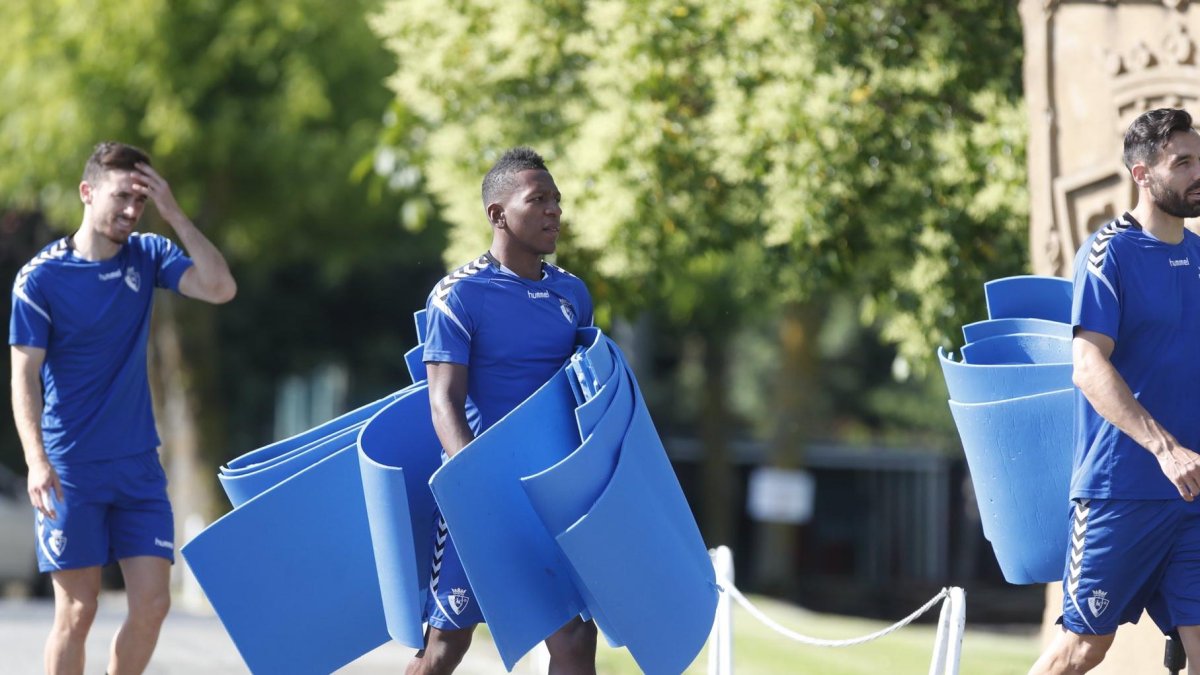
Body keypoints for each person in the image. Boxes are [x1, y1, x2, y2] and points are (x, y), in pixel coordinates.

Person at [10, 142, 237, 675]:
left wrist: (175, 213)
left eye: (141, 200)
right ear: (87, 194)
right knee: (78, 609)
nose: (132, 211)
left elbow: (220, 287)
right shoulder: (40, 279)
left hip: (137, 466)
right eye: (121, 197)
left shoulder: (149, 254)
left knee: (154, 604)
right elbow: (23, 377)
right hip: (71, 470)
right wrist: (36, 460)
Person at [411, 147, 596, 675]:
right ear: (497, 214)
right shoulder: (457, 294)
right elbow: (443, 401)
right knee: (445, 649)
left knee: (576, 641)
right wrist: (477, 486)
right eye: (538, 199)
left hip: (549, 493)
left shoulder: (572, 295)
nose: (554, 211)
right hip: (479, 496)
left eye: (557, 200)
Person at [1029, 108, 1200, 674]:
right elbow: (1087, 364)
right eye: (1184, 163)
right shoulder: (1108, 254)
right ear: (1142, 173)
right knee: (1082, 650)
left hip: (1194, 499)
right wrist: (1164, 448)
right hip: (1120, 492)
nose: (1199, 172)